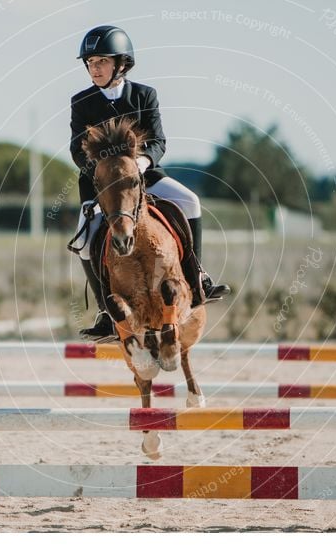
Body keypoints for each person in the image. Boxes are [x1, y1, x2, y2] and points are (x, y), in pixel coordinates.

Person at [69, 25, 230, 341]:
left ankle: (196, 276)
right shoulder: (81, 101)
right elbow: (77, 149)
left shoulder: (145, 95)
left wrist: (141, 163)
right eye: (89, 63)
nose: (94, 68)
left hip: (144, 177)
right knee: (86, 241)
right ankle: (106, 311)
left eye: (100, 61)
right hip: (101, 186)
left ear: (121, 64)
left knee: (191, 202)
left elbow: (157, 141)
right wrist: (105, 175)